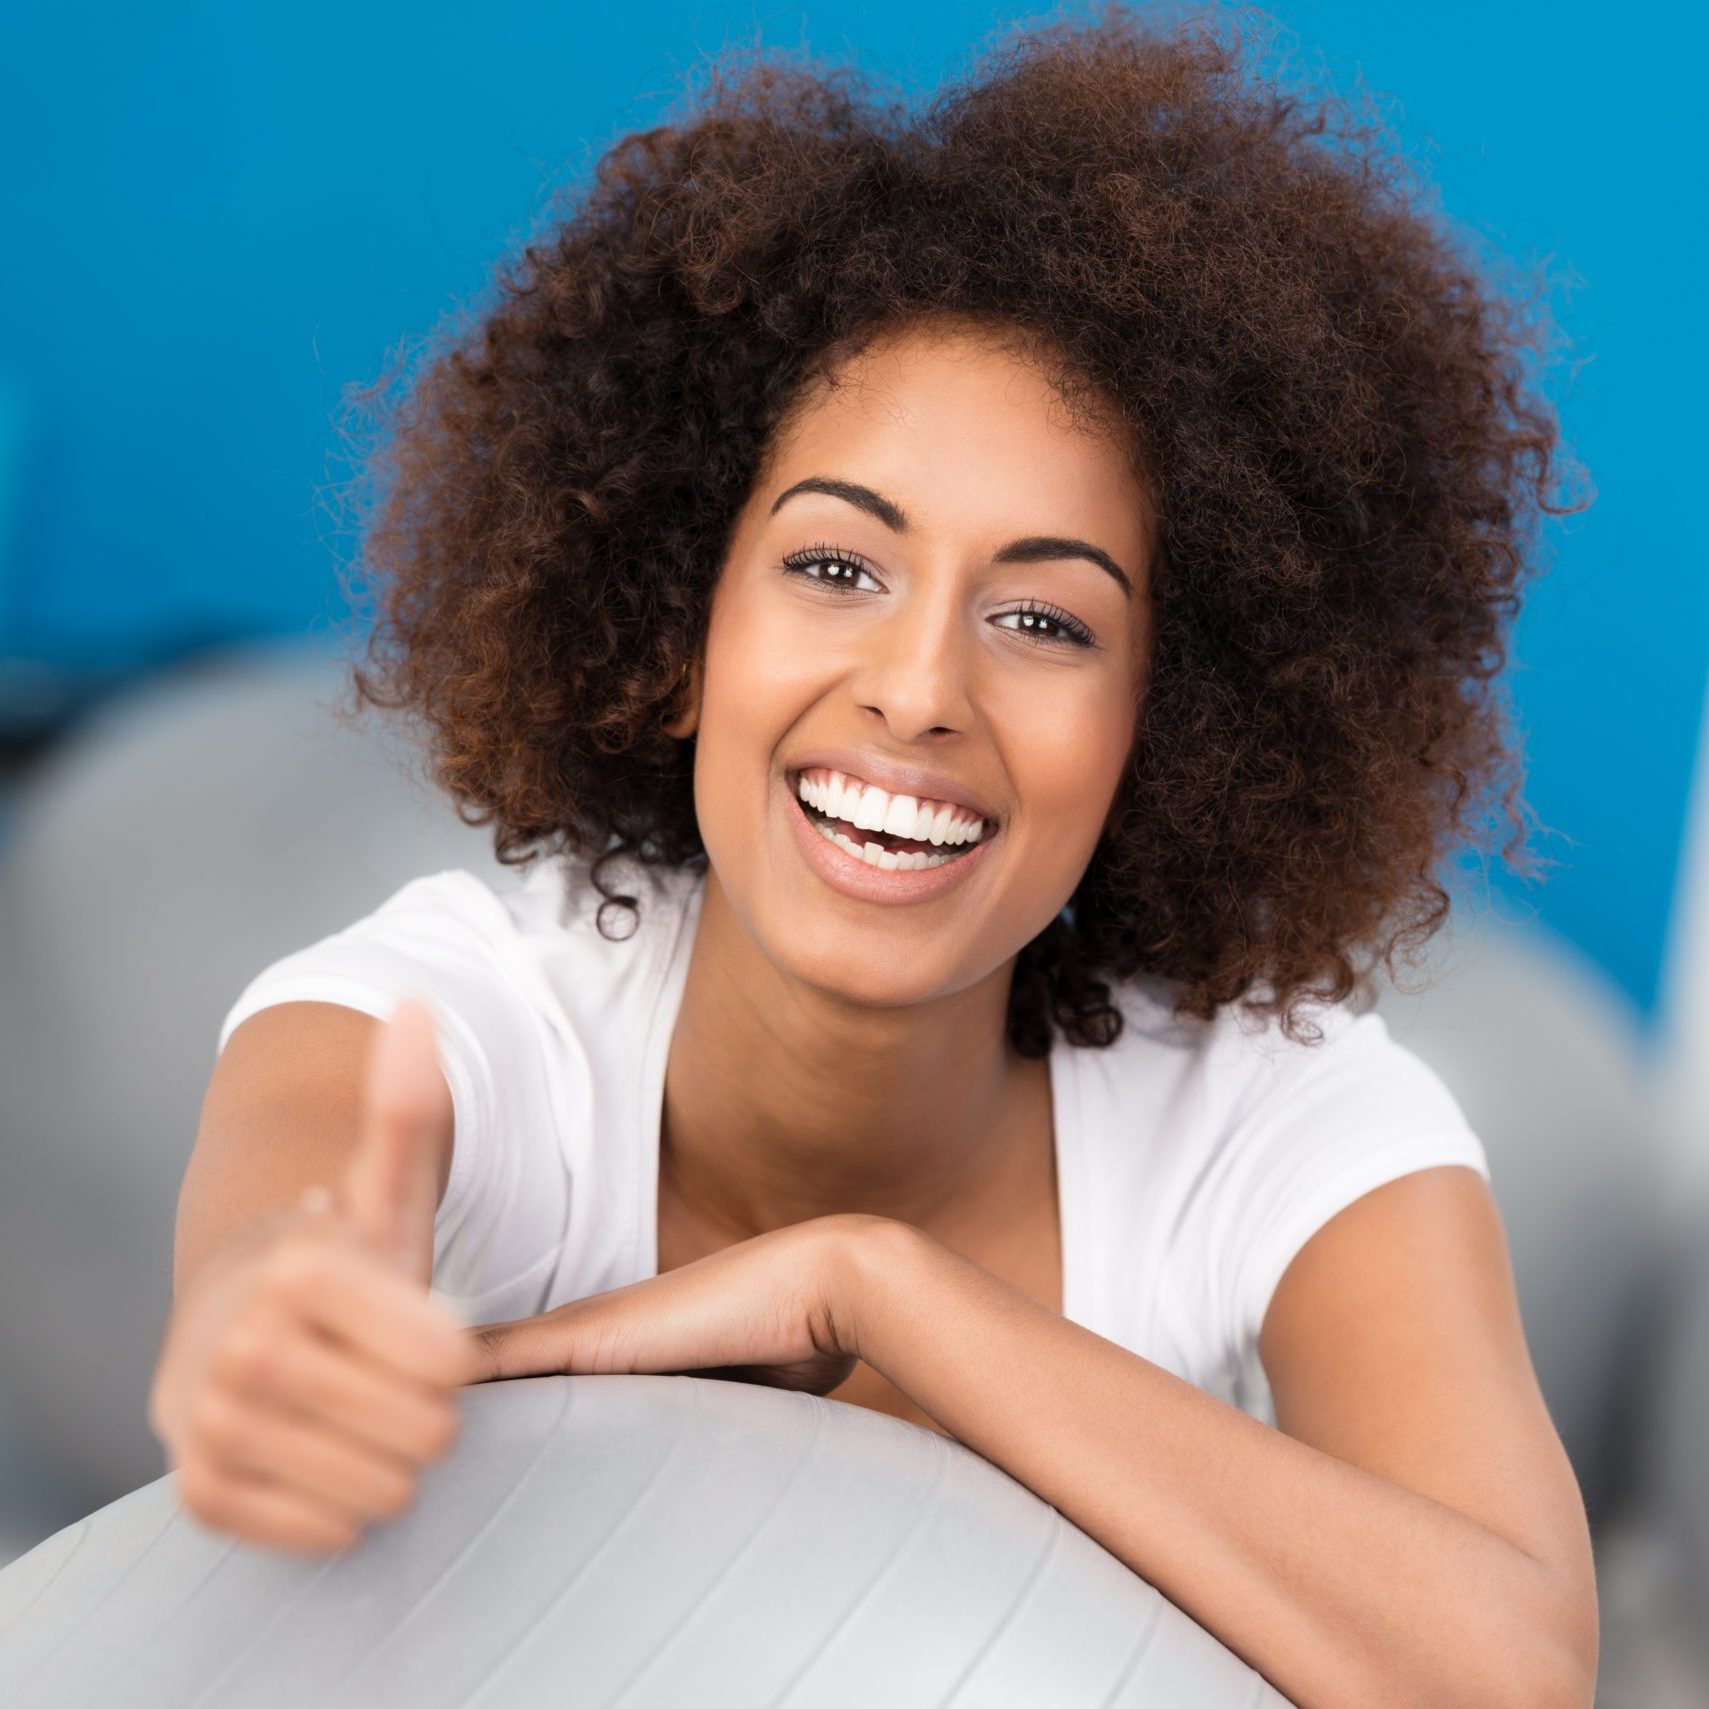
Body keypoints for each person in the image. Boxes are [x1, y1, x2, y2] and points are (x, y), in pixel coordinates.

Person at [149, 7, 1598, 1704]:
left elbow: (1512, 1676)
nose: (916, 690)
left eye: (1045, 617)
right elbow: (271, 1275)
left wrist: (875, 1289)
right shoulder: (443, 1019)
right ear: (680, 615)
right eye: (836, 567)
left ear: (1170, 720)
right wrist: (272, 1338)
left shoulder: (1283, 1122)